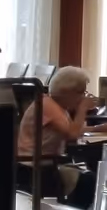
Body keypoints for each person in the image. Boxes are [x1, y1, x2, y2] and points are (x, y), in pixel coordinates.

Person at [16, 66, 95, 199]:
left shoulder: (53, 104)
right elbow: (72, 135)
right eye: (81, 93)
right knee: (88, 181)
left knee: (88, 178)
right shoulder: (47, 106)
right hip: (34, 169)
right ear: (68, 91)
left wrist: (99, 129)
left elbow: (70, 129)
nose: (83, 97)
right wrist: (83, 109)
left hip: (43, 163)